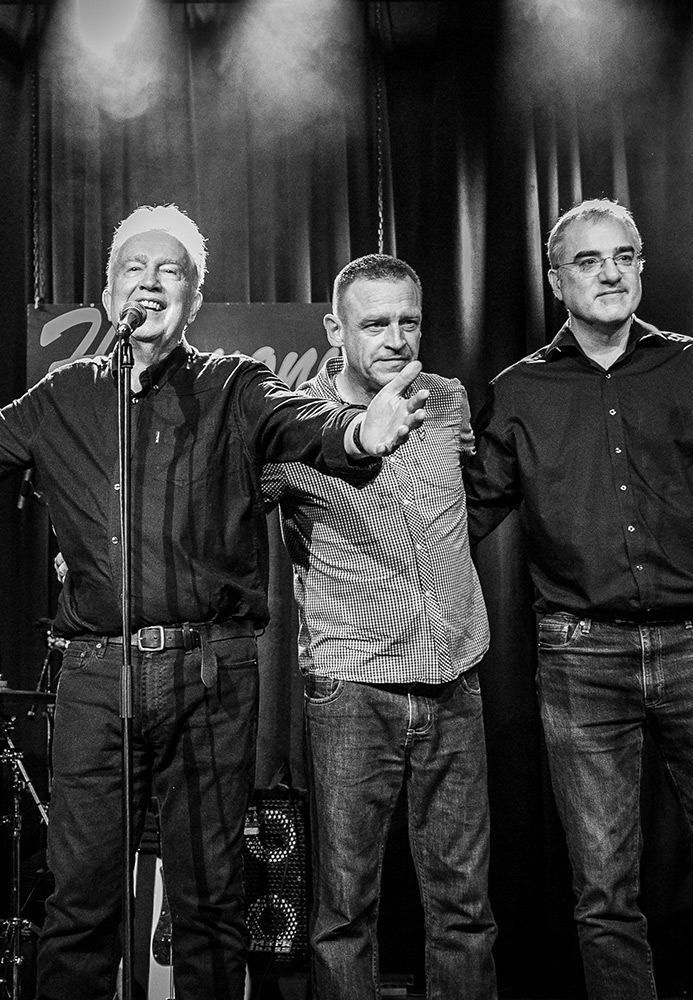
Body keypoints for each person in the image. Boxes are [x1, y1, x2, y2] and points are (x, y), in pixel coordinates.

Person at [0, 204, 427, 1000]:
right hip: (95, 675)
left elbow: (307, 422)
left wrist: (359, 434)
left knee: (211, 905)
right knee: (80, 904)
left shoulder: (235, 385)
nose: (150, 283)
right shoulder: (65, 396)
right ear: (108, 291)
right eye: (134, 269)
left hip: (210, 674)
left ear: (194, 297)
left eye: (170, 272)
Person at [466, 199, 693, 1000]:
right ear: (556, 280)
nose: (610, 273)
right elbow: (458, 516)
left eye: (624, 256)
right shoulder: (519, 390)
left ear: (640, 265)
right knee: (604, 894)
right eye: (588, 260)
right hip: (580, 658)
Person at [262, 254, 496, 999]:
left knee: (465, 908)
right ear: (336, 330)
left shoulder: (446, 400)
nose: (396, 338)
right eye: (375, 323)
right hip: (354, 686)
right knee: (345, 910)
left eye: (409, 321)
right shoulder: (293, 427)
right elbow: (222, 511)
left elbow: (469, 499)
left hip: (456, 677)